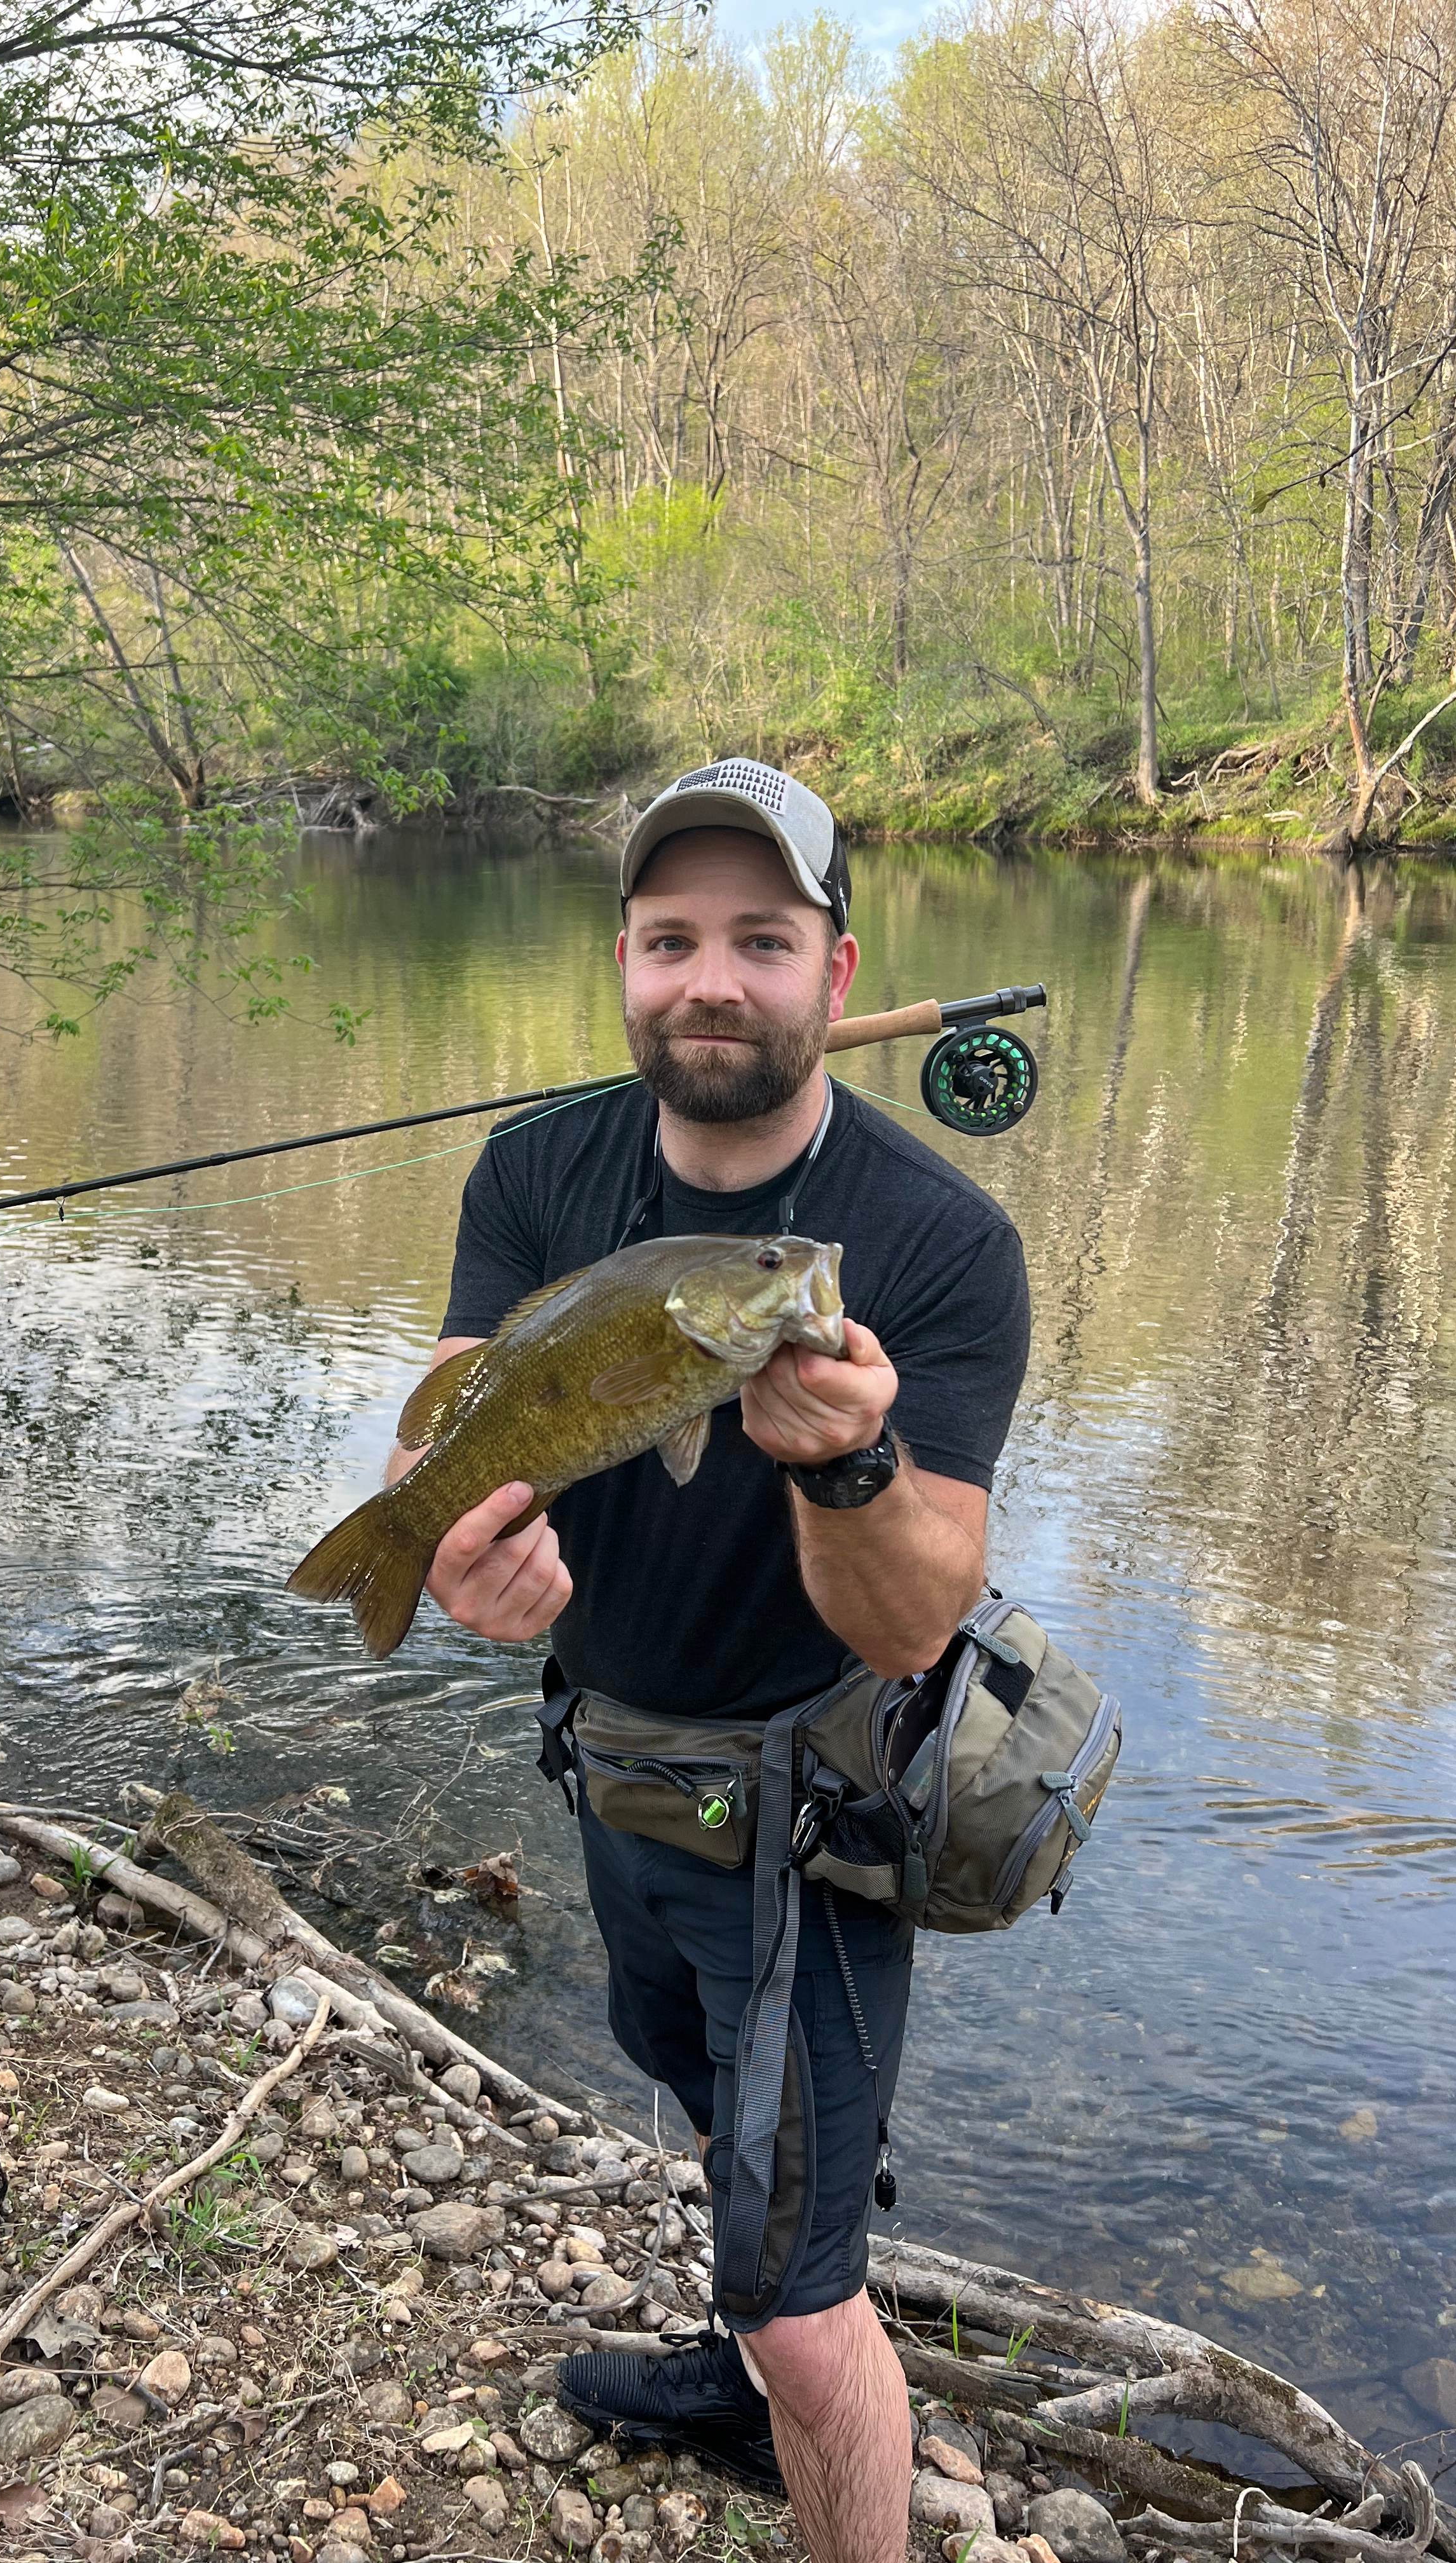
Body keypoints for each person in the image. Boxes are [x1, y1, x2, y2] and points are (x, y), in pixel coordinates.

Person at [384, 758, 1031, 2563]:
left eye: (763, 938)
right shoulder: (534, 1172)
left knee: (809, 2292)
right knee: (683, 2072)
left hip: (810, 1814)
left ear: (836, 973)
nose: (710, 980)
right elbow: (448, 1430)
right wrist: (448, 1555)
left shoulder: (935, 1240)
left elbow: (914, 1619)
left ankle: (801, 2401)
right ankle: (748, 2364)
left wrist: (848, 1457)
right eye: (673, 938)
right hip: (610, 1761)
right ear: (623, 963)